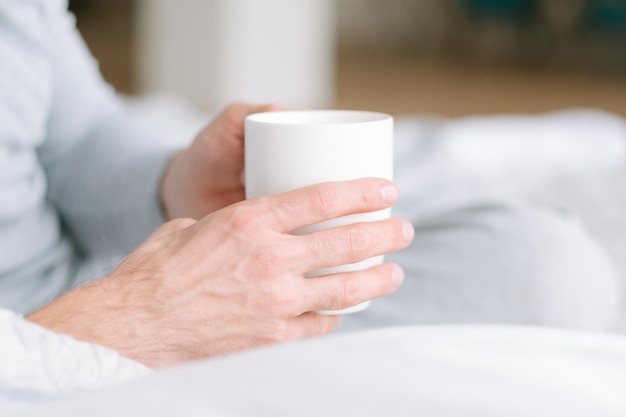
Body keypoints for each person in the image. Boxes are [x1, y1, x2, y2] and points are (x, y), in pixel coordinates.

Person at [0, 0, 621, 377]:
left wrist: (172, 186)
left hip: (110, 281)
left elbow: (76, 134)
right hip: (55, 339)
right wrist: (135, 320)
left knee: (535, 263)